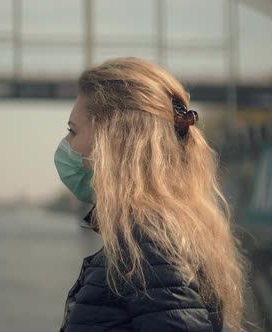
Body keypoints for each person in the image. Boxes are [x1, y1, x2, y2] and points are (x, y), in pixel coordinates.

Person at [53, 57, 249, 332]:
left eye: (73, 131)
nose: (66, 144)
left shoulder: (147, 245)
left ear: (114, 140)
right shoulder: (149, 235)